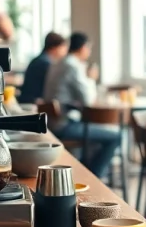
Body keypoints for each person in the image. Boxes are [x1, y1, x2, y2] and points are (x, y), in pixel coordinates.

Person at [42, 32, 121, 178]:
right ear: (83, 48)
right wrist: (91, 78)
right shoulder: (73, 66)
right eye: (89, 48)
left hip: (52, 123)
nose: (89, 52)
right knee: (116, 136)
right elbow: (89, 100)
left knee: (97, 135)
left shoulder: (58, 63)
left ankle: (88, 173)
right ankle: (94, 176)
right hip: (64, 125)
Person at [19, 32, 67, 104]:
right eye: (63, 48)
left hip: (28, 100)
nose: (65, 52)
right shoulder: (45, 63)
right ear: (55, 48)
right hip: (34, 103)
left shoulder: (39, 59)